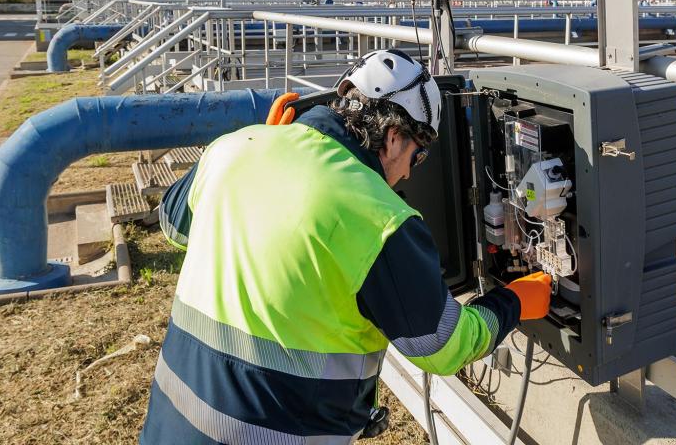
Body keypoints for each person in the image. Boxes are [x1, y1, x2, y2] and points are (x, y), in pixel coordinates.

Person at [140, 49, 552, 444]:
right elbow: (443, 348)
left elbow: (172, 225)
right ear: (393, 137)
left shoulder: (236, 147)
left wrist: (265, 144)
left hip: (169, 421)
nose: (409, 173)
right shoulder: (378, 217)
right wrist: (513, 302)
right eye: (418, 155)